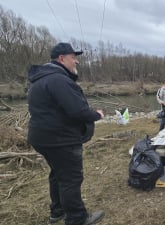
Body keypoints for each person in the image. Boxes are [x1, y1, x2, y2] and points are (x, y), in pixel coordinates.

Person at [27, 43, 105, 225]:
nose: (76, 61)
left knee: (57, 173)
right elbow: (78, 111)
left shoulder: (40, 79)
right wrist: (97, 115)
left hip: (42, 138)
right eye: (73, 57)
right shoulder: (58, 80)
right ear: (61, 58)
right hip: (60, 140)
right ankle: (77, 218)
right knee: (70, 179)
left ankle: (57, 211)